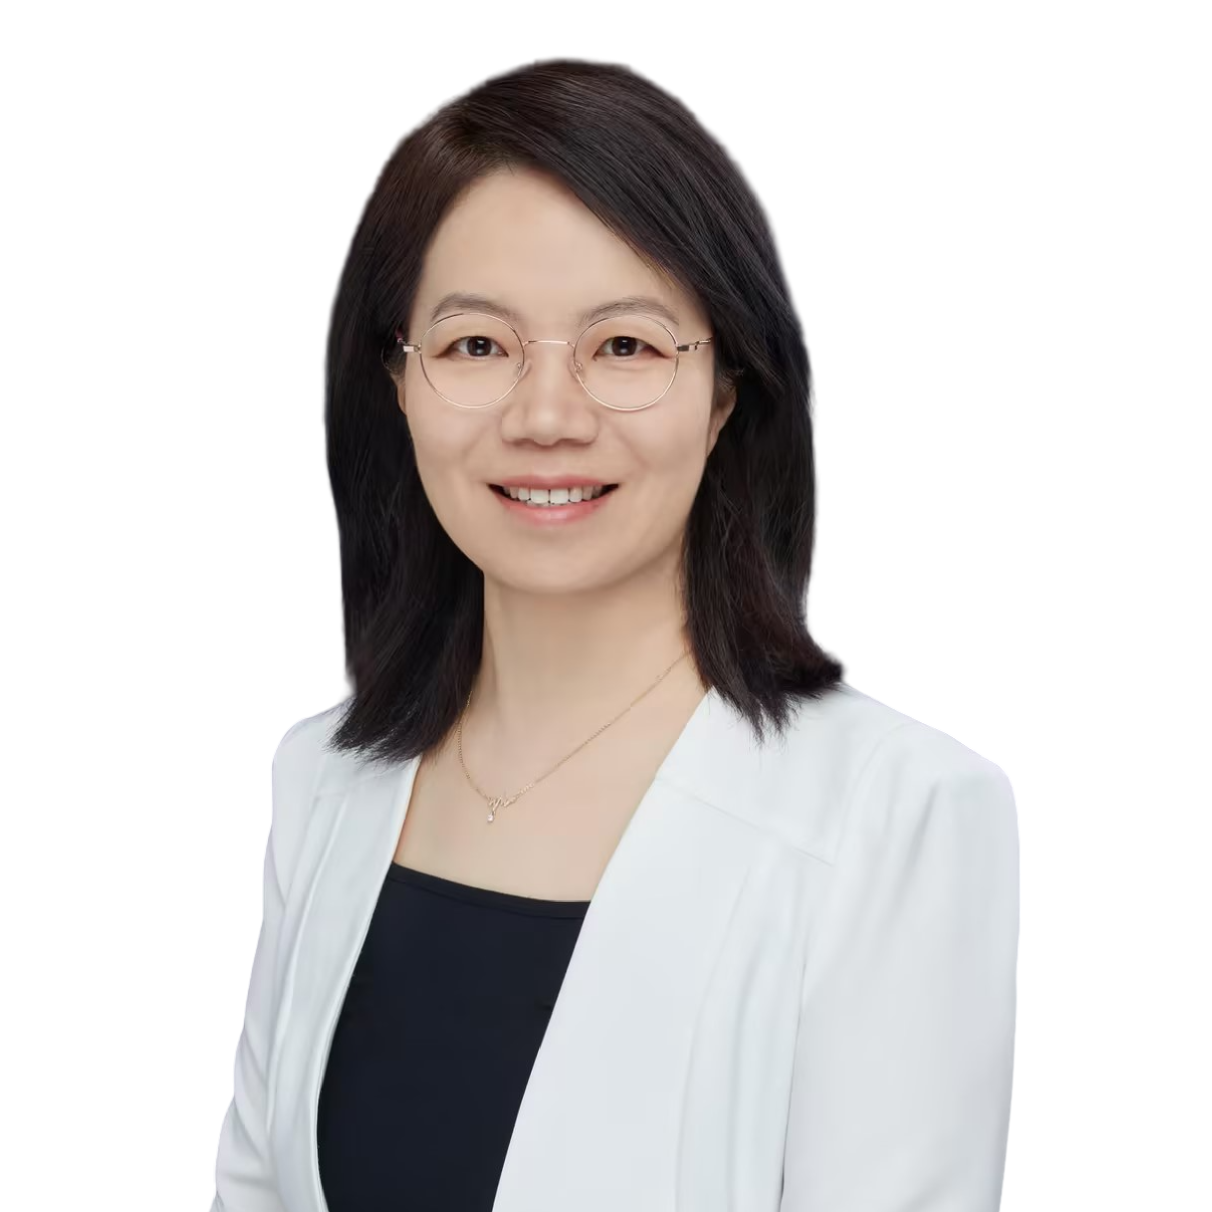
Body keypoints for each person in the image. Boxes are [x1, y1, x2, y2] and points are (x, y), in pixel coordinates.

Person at [208, 56, 1019, 1212]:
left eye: (625, 346)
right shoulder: (322, 776)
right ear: (396, 379)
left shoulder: (901, 813)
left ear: (727, 389)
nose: (547, 416)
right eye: (477, 345)